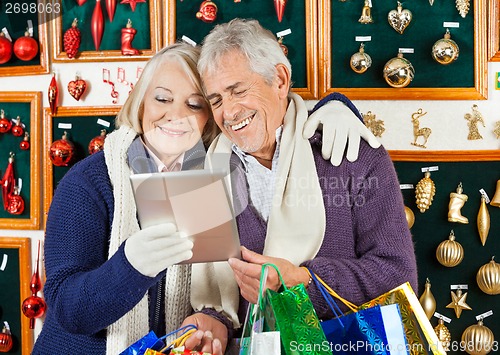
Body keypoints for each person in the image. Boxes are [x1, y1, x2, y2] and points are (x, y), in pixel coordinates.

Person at [32, 41, 377, 354]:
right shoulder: (90, 184)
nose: (176, 114)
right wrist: (130, 266)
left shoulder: (214, 174)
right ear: (140, 101)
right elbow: (67, 310)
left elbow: (277, 112)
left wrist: (336, 106)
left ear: (210, 117)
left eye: (195, 104)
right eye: (162, 98)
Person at [182, 18, 418, 354]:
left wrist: (302, 282)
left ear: (279, 80)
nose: (230, 112)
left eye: (238, 90)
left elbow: (398, 275)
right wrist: (208, 323)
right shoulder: (205, 176)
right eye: (217, 99)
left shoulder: (352, 155)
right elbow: (218, 306)